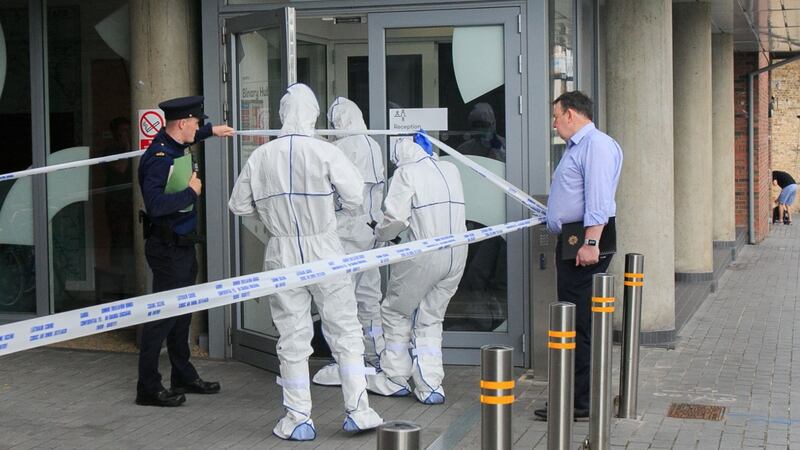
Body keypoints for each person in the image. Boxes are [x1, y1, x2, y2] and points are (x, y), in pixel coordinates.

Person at [228, 83, 383, 440]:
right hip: (325, 247)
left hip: (282, 251)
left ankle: (298, 417)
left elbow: (238, 205)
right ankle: (358, 409)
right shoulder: (324, 151)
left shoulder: (262, 156)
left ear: (282, 115)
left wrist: (267, 218)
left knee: (292, 335)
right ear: (313, 114)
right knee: (345, 328)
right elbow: (356, 194)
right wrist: (334, 207)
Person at [136, 95, 234, 407]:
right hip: (166, 250)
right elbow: (155, 206)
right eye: (197, 122)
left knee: (181, 316)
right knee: (162, 320)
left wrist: (213, 131)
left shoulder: (176, 143)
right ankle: (148, 388)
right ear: (182, 123)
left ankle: (183, 375)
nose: (199, 126)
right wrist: (190, 192)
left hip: (182, 245)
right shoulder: (160, 158)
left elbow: (191, 137)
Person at [535, 91, 622, 421]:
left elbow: (598, 199)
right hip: (576, 241)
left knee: (578, 324)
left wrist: (590, 242)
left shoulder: (595, 146)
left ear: (571, 114)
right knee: (572, 321)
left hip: (584, 243)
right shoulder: (579, 147)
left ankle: (579, 403)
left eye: (556, 117)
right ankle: (574, 398)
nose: (554, 124)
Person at [366, 135, 468, 405]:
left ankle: (395, 376)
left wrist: (380, 231)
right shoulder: (450, 169)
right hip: (457, 253)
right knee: (431, 317)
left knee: (395, 310)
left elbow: (396, 219)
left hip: (424, 254)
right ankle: (431, 384)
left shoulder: (407, 172)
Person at [312, 97, 386, 386]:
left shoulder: (340, 148)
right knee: (369, 298)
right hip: (372, 231)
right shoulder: (374, 145)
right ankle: (374, 356)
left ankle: (344, 362)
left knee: (339, 301)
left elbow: (335, 194)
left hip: (345, 234)